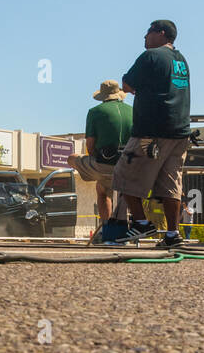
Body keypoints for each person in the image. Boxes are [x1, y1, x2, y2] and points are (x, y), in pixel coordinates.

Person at [112, 19, 191, 248]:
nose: (145, 37)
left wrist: (139, 90)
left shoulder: (151, 56)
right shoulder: (181, 61)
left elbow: (126, 84)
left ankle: (141, 223)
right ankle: (172, 234)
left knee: (122, 174)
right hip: (180, 132)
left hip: (152, 131)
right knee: (170, 184)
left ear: (161, 33)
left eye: (148, 32)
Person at [69, 79, 133, 243]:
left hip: (104, 164)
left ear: (103, 96)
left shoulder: (95, 112)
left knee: (73, 159)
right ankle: (118, 230)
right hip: (128, 165)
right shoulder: (132, 111)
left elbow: (90, 146)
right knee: (113, 189)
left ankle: (106, 228)